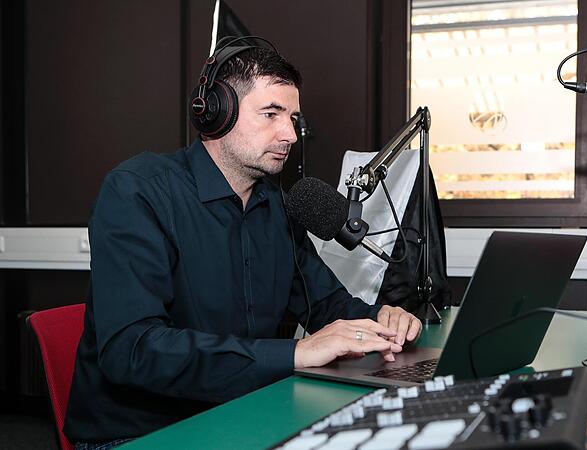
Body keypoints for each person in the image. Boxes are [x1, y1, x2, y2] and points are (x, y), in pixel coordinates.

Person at [64, 41, 422, 449]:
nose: (289, 135)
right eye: (271, 114)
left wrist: (383, 320)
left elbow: (325, 304)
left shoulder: (278, 205)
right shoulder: (137, 193)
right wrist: (296, 353)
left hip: (241, 414)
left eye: (293, 118)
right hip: (139, 435)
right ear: (217, 112)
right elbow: (132, 351)